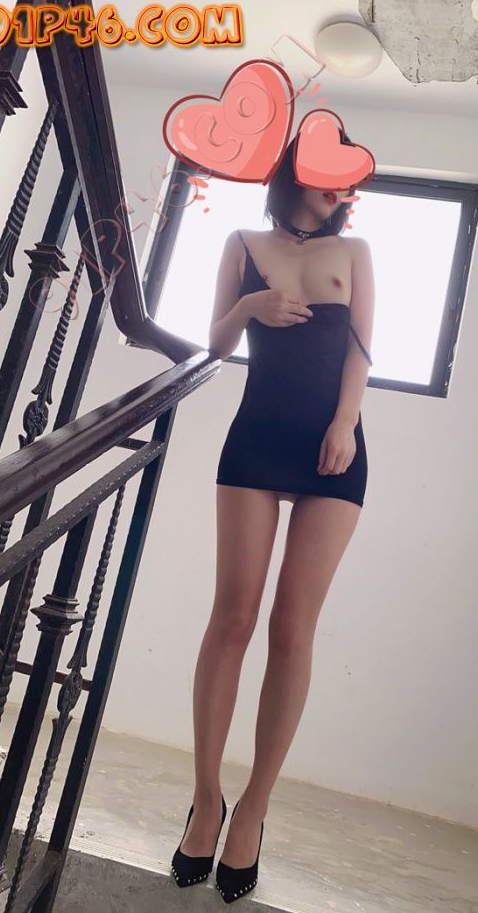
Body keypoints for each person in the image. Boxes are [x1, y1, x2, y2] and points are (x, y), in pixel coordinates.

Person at [171, 133, 375, 904]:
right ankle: (207, 799)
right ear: (296, 170)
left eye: (346, 180)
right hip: (257, 437)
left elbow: (360, 351)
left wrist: (346, 422)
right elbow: (216, 343)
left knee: (293, 629)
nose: (338, 189)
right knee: (233, 616)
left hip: (334, 446)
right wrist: (250, 305)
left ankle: (253, 808)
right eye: (327, 173)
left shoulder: (355, 252)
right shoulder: (242, 242)